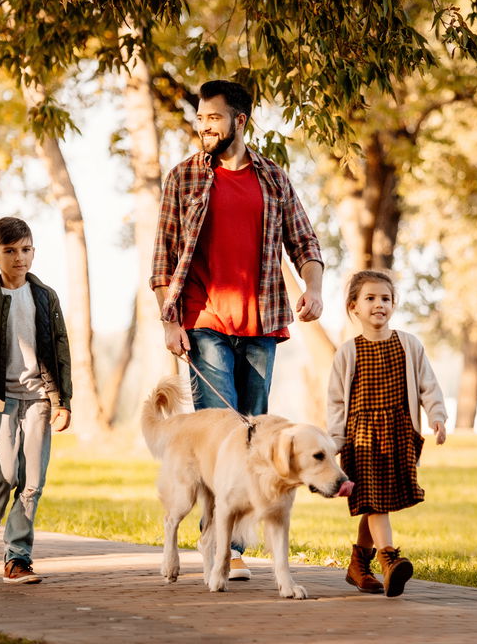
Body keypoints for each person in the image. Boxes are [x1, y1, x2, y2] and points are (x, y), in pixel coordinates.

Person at [151, 79, 324, 580]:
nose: (203, 127)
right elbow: (162, 260)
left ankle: (229, 542)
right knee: (221, 433)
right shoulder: (183, 177)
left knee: (253, 435)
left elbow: (306, 244)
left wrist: (313, 289)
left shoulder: (273, 179)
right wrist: (170, 321)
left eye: (213, 119)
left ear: (240, 122)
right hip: (204, 323)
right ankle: (222, 548)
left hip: (263, 326)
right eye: (200, 119)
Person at [326, 270, 448, 598]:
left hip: (399, 433)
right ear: (354, 307)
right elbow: (337, 401)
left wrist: (436, 416)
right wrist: (335, 441)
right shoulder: (347, 352)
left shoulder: (409, 344)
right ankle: (390, 560)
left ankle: (357, 566)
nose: (379, 304)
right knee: (376, 499)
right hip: (360, 438)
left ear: (393, 305)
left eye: (385, 298)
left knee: (376, 500)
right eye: (370, 298)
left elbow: (427, 384)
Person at [0, 216, 72, 584]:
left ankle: (18, 557)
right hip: (0, 399)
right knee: (4, 473)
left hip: (39, 399)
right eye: (10, 251)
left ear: (34, 251)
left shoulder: (45, 296)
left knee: (32, 481)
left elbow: (60, 349)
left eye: (25, 250)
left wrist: (63, 402)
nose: (19, 258)